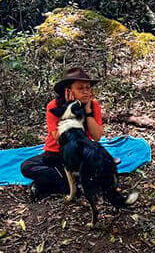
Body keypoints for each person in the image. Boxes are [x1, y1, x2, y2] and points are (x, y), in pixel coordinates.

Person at [22, 67, 105, 200]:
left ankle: (51, 185)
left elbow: (97, 136)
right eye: (80, 88)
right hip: (56, 154)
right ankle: (70, 184)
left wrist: (88, 112)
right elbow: (60, 139)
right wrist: (69, 109)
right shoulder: (54, 106)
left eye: (88, 88)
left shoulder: (93, 105)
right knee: (27, 167)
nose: (86, 92)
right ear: (68, 90)